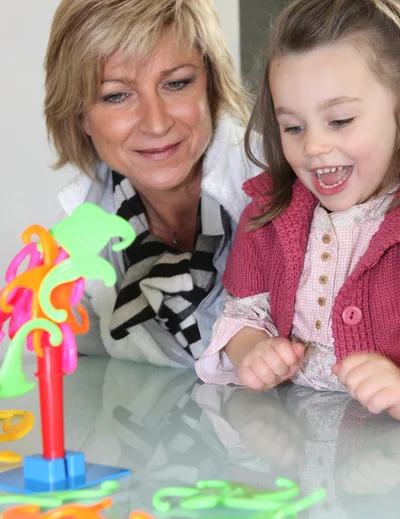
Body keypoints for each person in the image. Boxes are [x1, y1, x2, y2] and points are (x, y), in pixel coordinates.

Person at [196, 0, 400, 419]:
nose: (313, 147)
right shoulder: (268, 214)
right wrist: (254, 350)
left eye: (340, 120)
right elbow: (241, 313)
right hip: (297, 441)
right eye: (293, 126)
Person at [44, 0, 261, 368]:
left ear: (211, 86)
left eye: (176, 83)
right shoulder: (77, 240)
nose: (156, 124)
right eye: (116, 95)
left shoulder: (283, 179)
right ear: (80, 115)